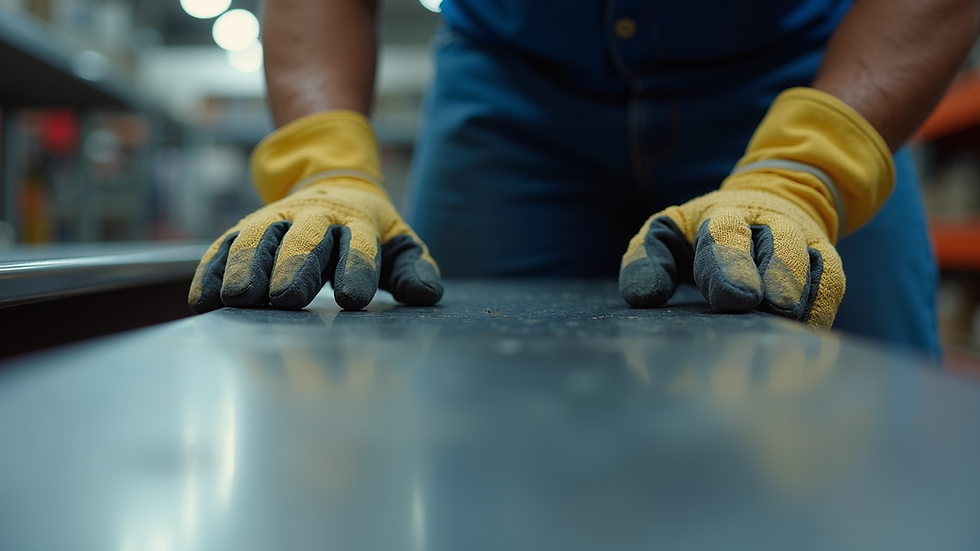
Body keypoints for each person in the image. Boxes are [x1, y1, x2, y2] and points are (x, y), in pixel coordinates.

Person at [188, 0, 980, 358]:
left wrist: (806, 169)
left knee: (869, 413)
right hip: (512, 83)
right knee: (464, 403)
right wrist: (326, 167)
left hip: (805, 71)